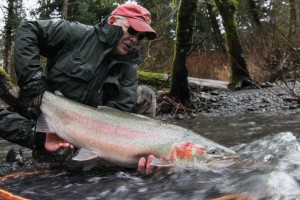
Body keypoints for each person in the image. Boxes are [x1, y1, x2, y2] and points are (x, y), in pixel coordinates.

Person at [0, 3, 157, 174]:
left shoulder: (129, 68)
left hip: (91, 128)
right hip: (52, 118)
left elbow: (119, 112)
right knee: (49, 176)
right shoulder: (77, 33)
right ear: (112, 20)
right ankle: (19, 157)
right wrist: (32, 81)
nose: (135, 40)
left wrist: (127, 152)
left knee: (145, 95)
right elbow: (27, 30)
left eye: (140, 37)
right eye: (132, 31)